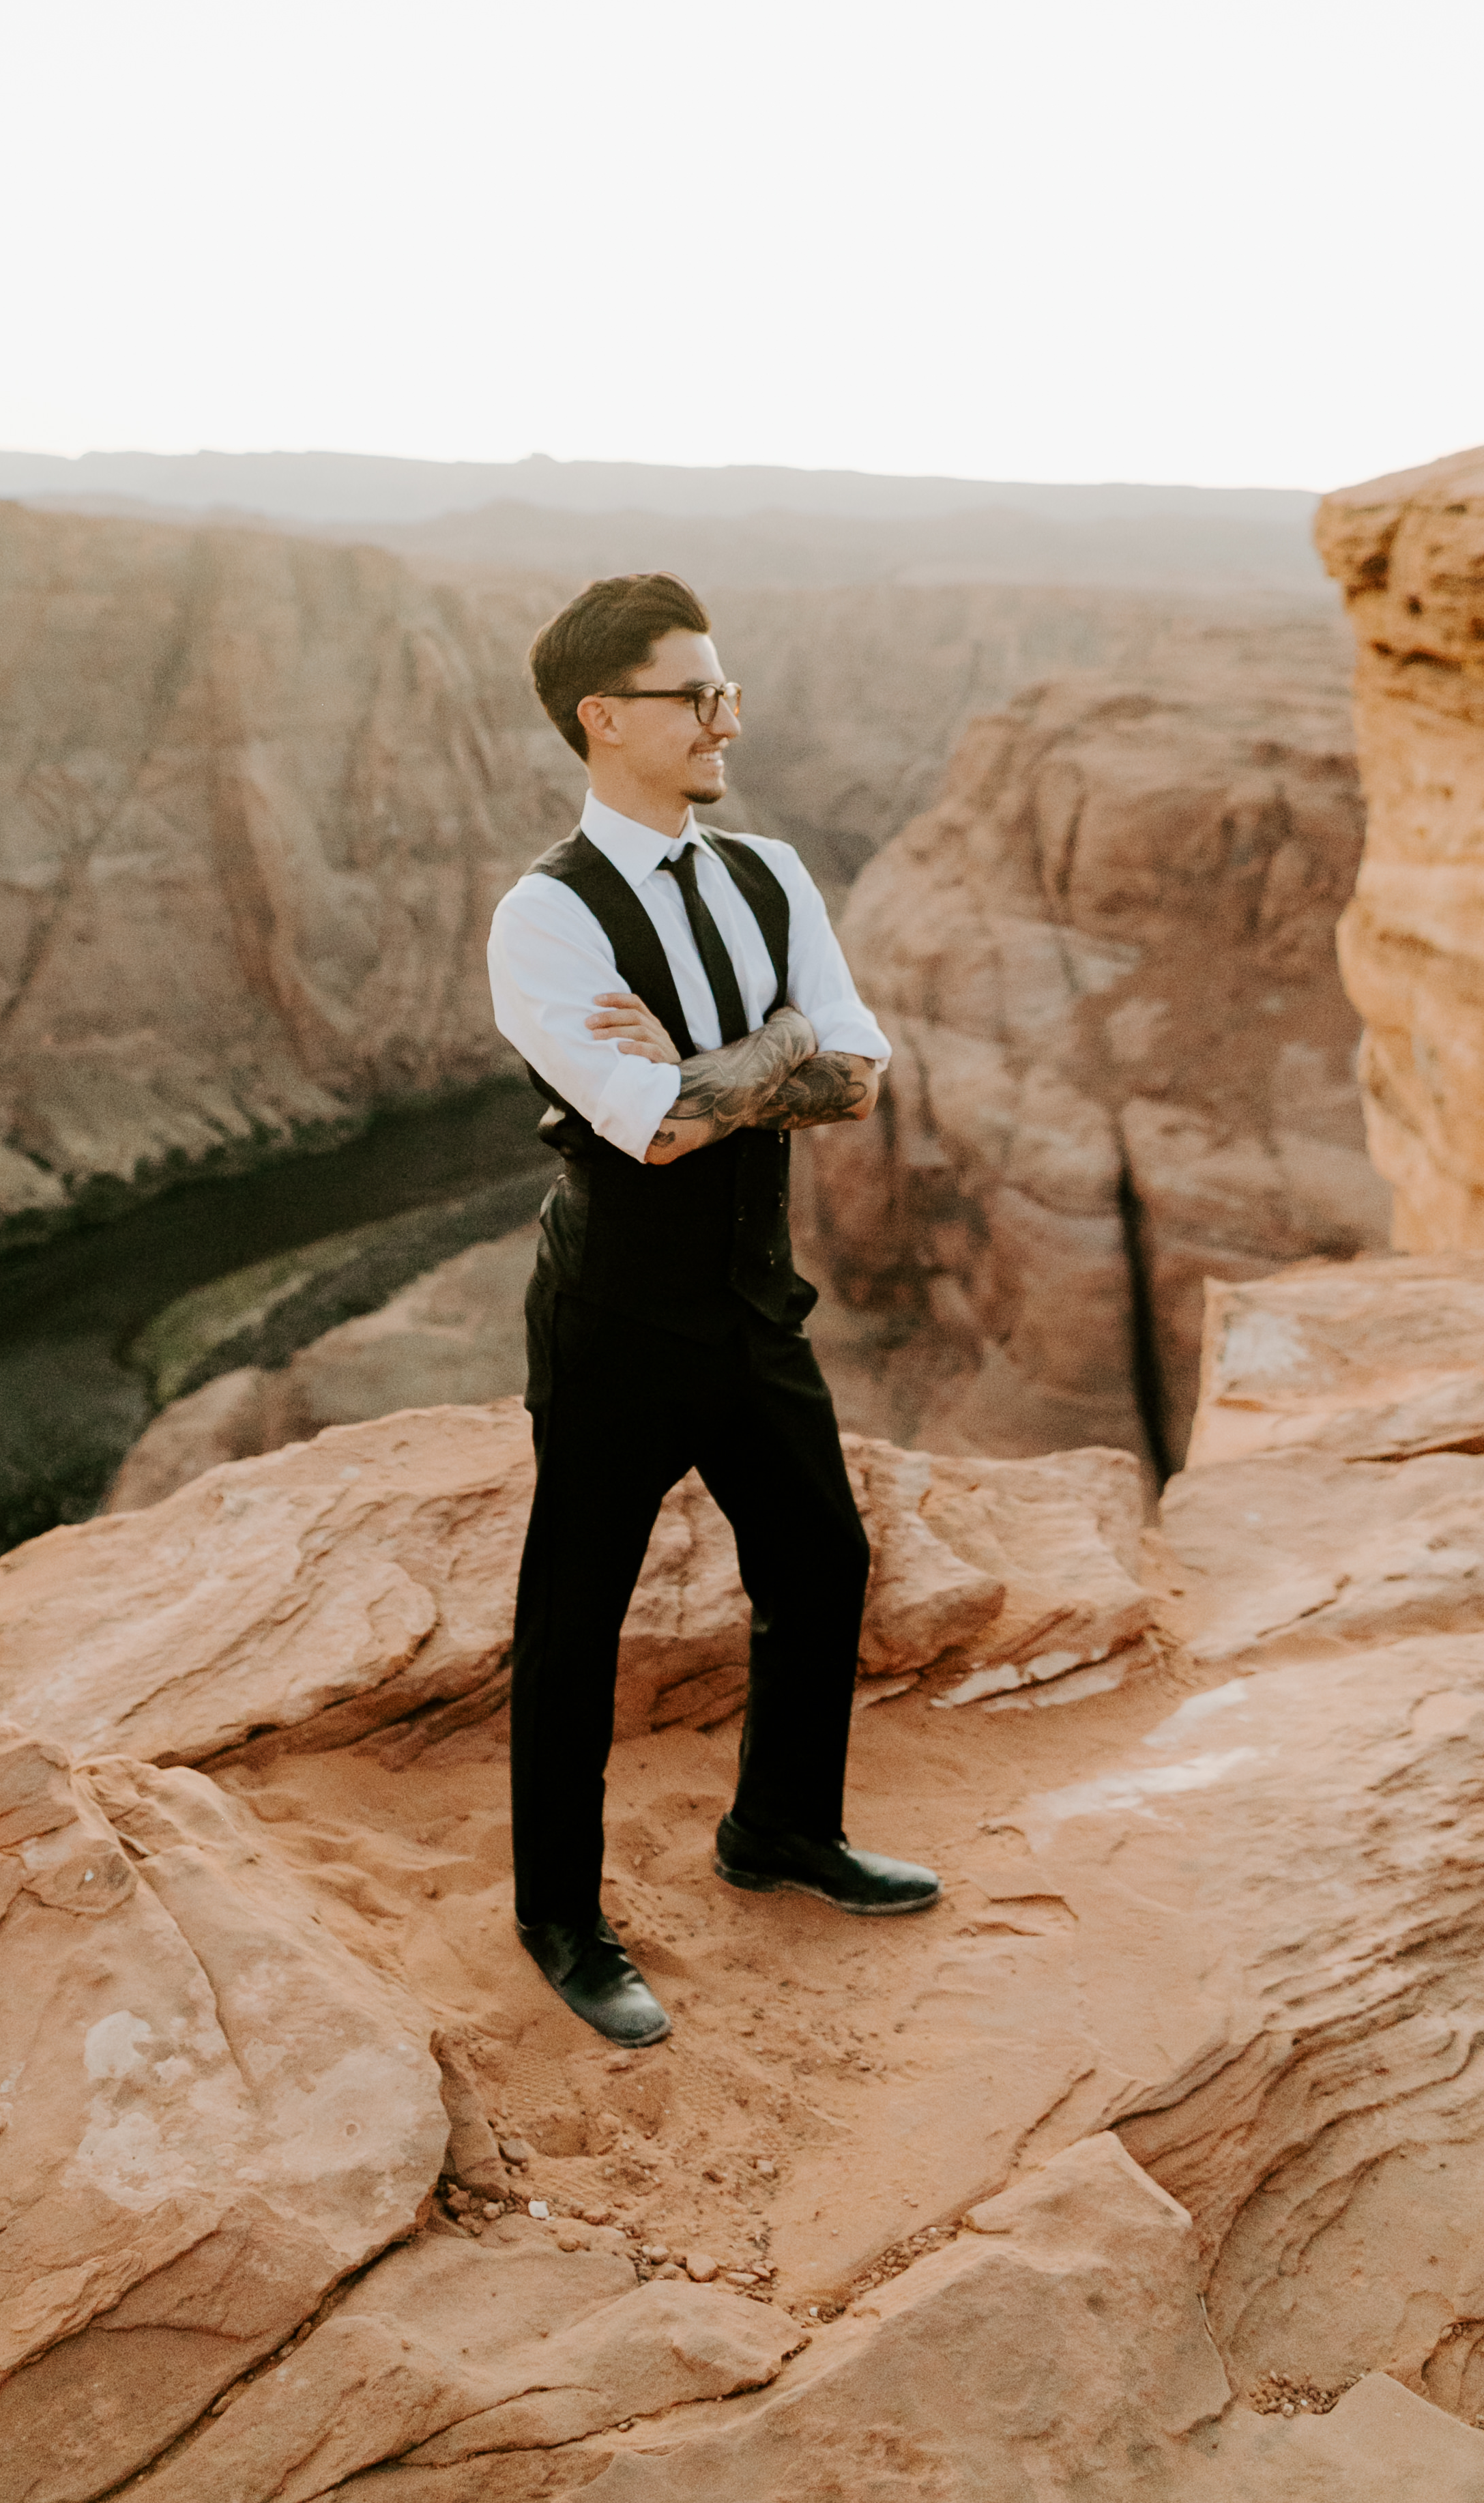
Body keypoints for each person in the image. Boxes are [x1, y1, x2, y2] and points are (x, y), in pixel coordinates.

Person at [487, 570, 940, 2048]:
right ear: (603, 717)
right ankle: (559, 1913)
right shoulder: (541, 919)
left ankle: (779, 1830)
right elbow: (660, 1132)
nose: (725, 715)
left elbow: (857, 1083)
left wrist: (741, 1059)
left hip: (750, 1304)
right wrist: (777, 1052)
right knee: (578, 1617)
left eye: (723, 689)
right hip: (614, 1320)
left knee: (819, 1559)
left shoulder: (771, 875)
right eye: (696, 694)